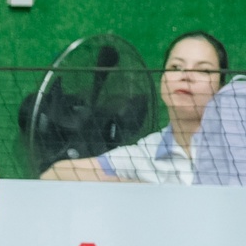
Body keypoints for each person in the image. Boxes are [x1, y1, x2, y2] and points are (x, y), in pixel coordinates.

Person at [41, 31, 228, 184]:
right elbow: (55, 174)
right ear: (163, 80)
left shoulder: (236, 145)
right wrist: (140, 190)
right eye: (175, 67)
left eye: (203, 70)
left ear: (221, 87)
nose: (185, 75)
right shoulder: (146, 152)